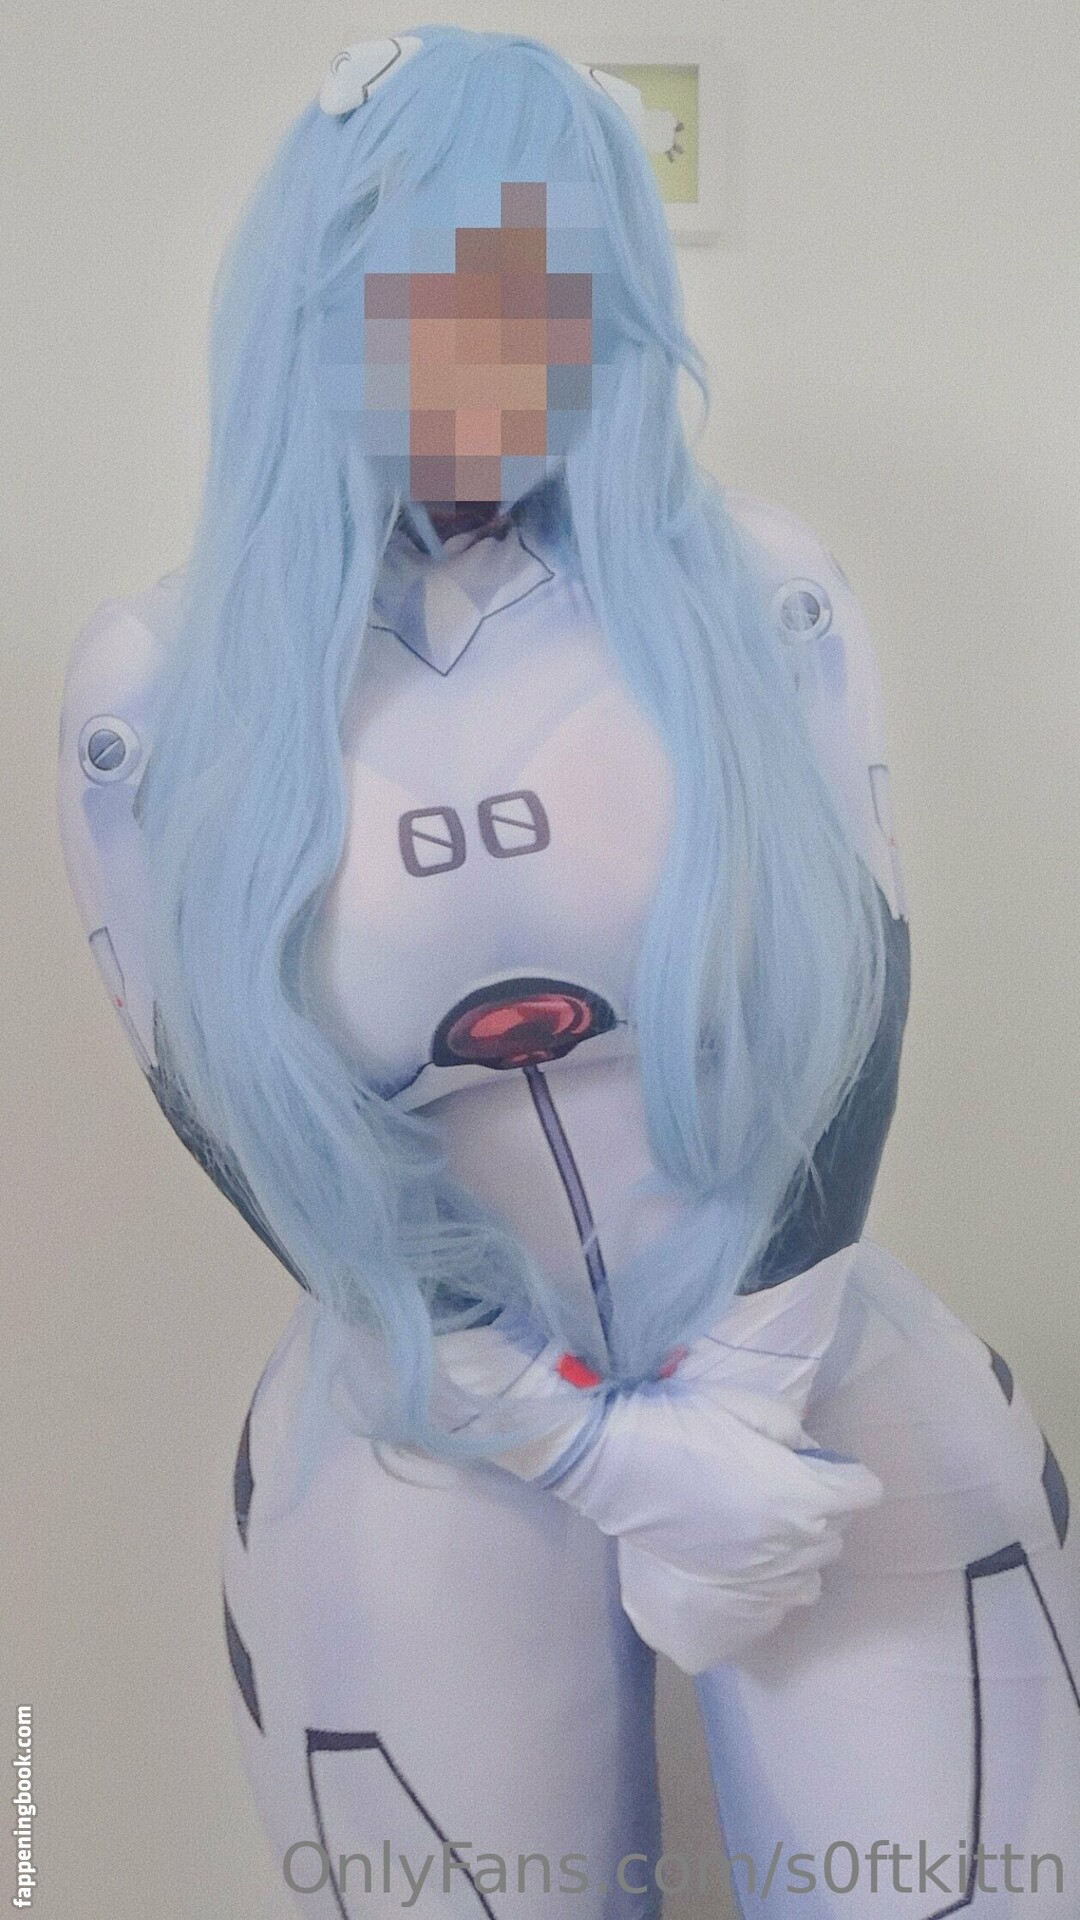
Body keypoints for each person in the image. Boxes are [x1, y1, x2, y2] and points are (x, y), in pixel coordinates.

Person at [57, 26, 1079, 1917]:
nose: (492, 352)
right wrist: (597, 1458)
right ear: (319, 302)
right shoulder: (168, 695)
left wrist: (742, 1409)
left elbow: (857, 997)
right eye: (428, 291)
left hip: (815, 1379)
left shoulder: (757, 595)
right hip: (429, 1427)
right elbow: (249, 1122)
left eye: (548, 290)